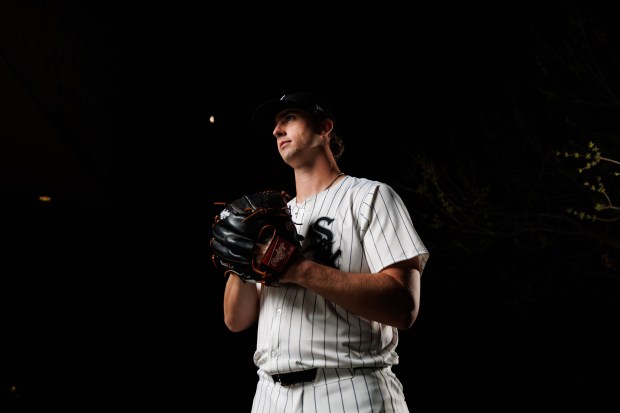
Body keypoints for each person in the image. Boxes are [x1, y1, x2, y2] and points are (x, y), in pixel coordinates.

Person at [223, 91, 429, 412]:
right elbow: (235, 320)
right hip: (269, 396)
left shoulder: (368, 197)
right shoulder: (271, 220)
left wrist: (299, 270)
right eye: (275, 125)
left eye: (288, 118)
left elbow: (403, 305)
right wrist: (242, 260)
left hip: (350, 387)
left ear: (324, 128)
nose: (277, 130)